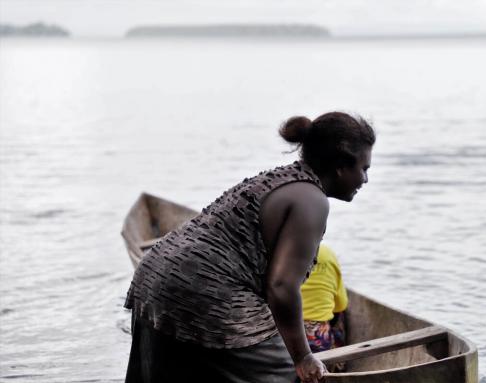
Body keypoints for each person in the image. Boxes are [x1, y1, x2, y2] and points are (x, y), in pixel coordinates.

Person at [124, 111, 375, 383]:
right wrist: (302, 357)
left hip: (155, 278)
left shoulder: (281, 178)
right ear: (340, 166)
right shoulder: (312, 200)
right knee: (286, 376)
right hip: (205, 291)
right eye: (364, 168)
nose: (365, 179)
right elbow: (281, 287)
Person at [301, 243, 348, 372]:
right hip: (319, 339)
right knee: (341, 315)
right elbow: (341, 305)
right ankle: (339, 367)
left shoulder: (277, 251)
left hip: (281, 335)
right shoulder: (328, 253)